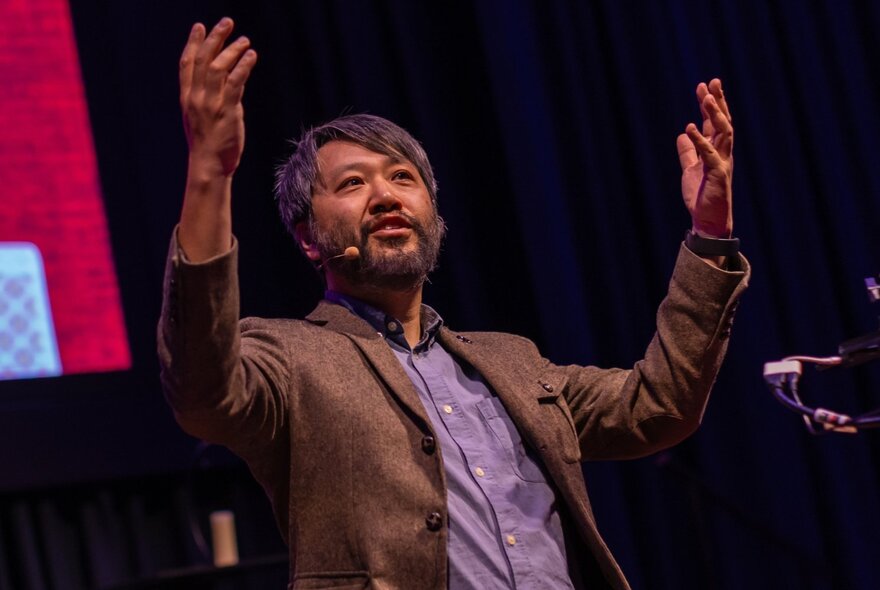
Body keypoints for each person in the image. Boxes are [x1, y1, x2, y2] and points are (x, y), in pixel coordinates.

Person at [158, 17, 749, 590]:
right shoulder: (287, 356)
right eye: (353, 183)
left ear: (433, 218)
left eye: (402, 177)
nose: (386, 195)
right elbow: (204, 391)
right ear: (309, 237)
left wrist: (709, 232)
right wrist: (209, 172)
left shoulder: (514, 362)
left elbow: (661, 405)